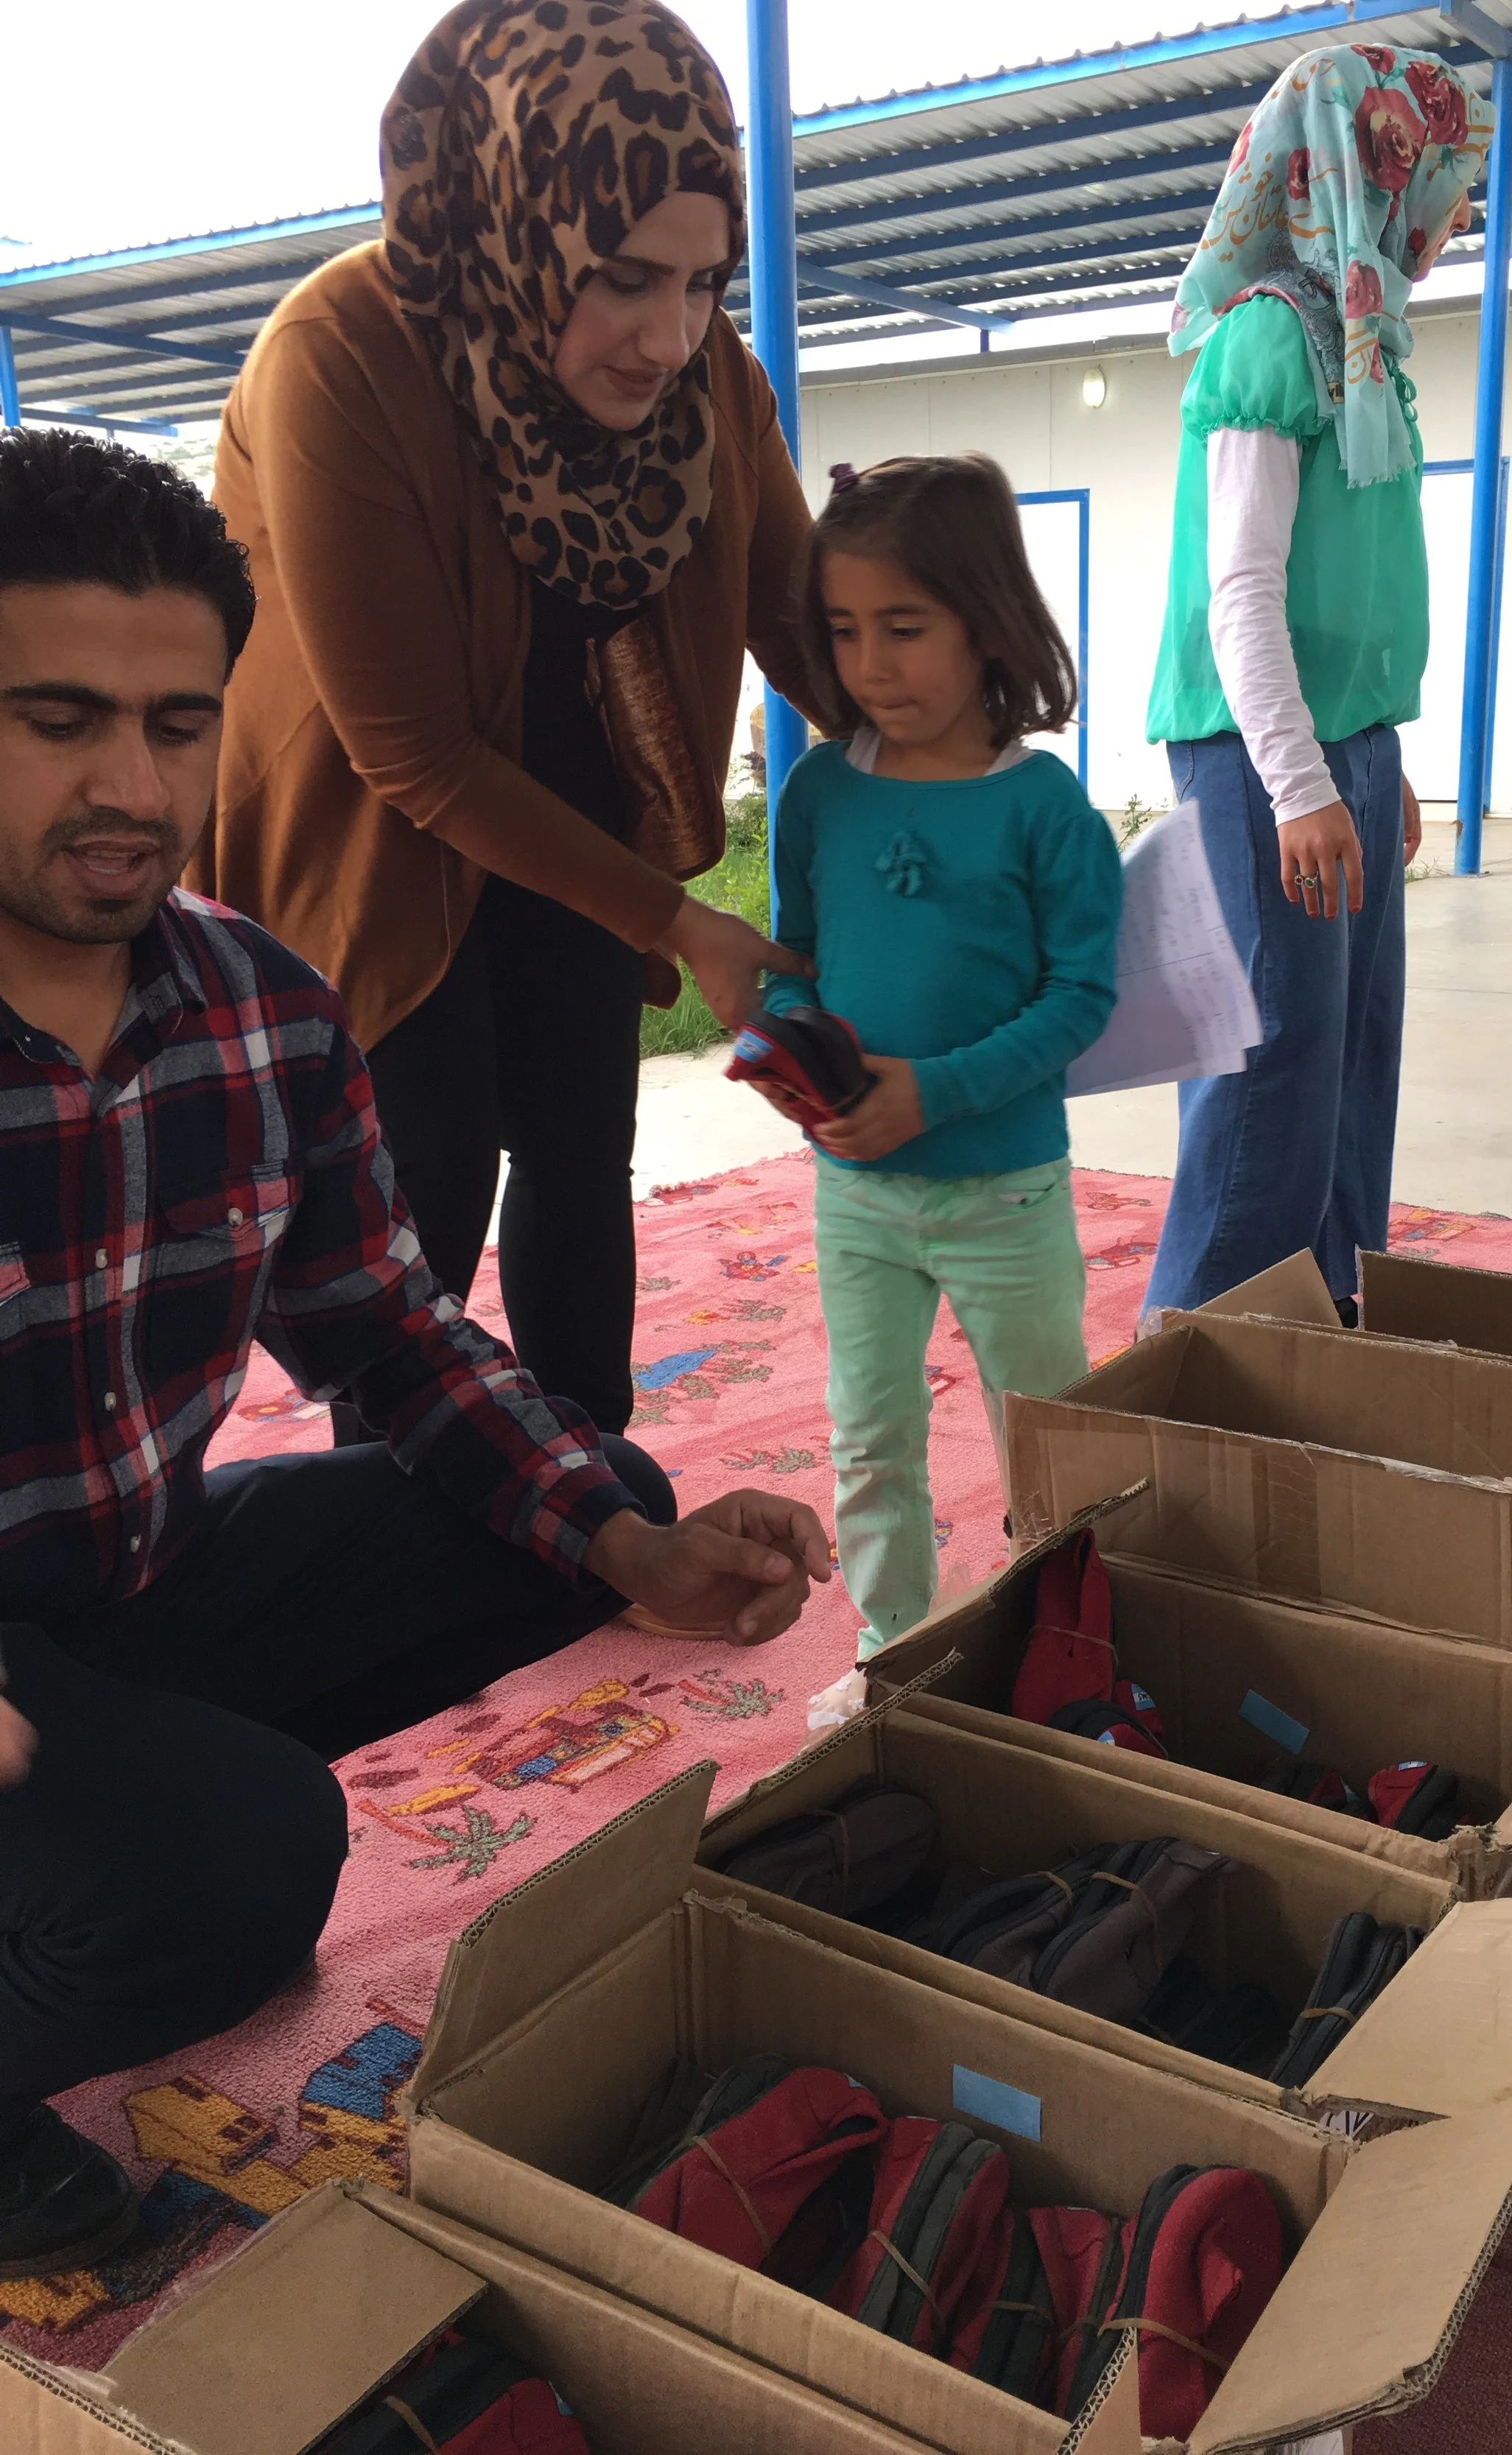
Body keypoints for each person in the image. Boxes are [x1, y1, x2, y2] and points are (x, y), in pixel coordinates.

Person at [0, 427, 829, 2280]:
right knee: (240, 1860)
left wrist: (630, 1549)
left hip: (123, 1580)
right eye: (58, 721)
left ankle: (129, 1827)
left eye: (178, 724)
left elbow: (388, 1331)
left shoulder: (256, 1009)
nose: (131, 785)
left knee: (585, 1493)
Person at [191, 0, 817, 1444]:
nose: (667, 339)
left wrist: (962, 767)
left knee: (581, 1147)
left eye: (703, 283)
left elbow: (803, 620)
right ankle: (393, 1503)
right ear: (518, 215)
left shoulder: (709, 376)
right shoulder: (340, 356)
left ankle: (591, 1480)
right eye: (624, 279)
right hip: (371, 837)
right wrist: (682, 923)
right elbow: (410, 752)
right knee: (424, 1182)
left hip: (579, 811)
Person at [744, 457, 1122, 1716]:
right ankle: (892, 1657)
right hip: (856, 1195)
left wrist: (937, 1092)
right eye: (845, 630)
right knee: (868, 1438)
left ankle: (1067, 1650)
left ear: (987, 621)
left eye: (903, 628)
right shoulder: (816, 792)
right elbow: (800, 965)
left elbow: (1081, 1000)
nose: (870, 666)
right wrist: (786, 1052)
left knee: (1048, 1438)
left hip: (1006, 1195)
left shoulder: (1046, 809)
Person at [1143, 45, 1495, 1318]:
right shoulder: (1271, 336)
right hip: (1258, 758)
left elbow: (1353, 585)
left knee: (1351, 1058)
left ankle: (1332, 1333)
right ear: (1366, 170)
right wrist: (1301, 783)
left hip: (1343, 748)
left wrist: (1374, 766)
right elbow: (1241, 595)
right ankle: (1192, 1371)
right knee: (1268, 1071)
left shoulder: (1364, 337)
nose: (1451, 210)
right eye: (1438, 175)